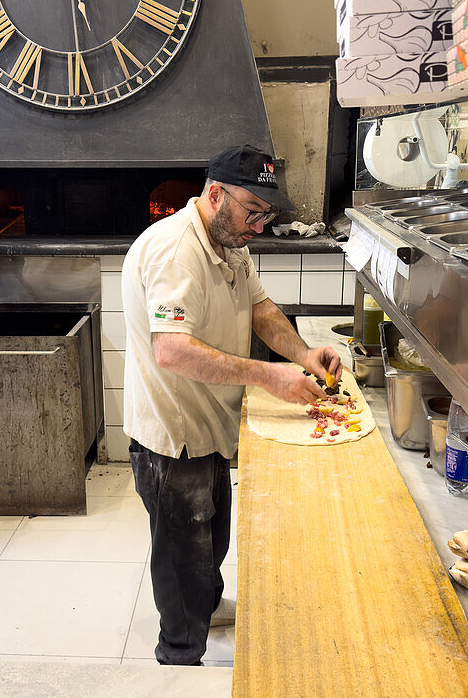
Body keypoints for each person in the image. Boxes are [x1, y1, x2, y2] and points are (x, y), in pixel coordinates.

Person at [121, 144, 343, 665]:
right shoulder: (176, 251)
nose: (260, 226)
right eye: (253, 211)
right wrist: (268, 375)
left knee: (210, 536)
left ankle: (204, 605)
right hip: (174, 435)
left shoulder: (230, 243)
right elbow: (171, 349)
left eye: (267, 214)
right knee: (182, 552)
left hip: (211, 422)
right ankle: (179, 651)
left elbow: (261, 310)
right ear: (215, 194)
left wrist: (304, 355)